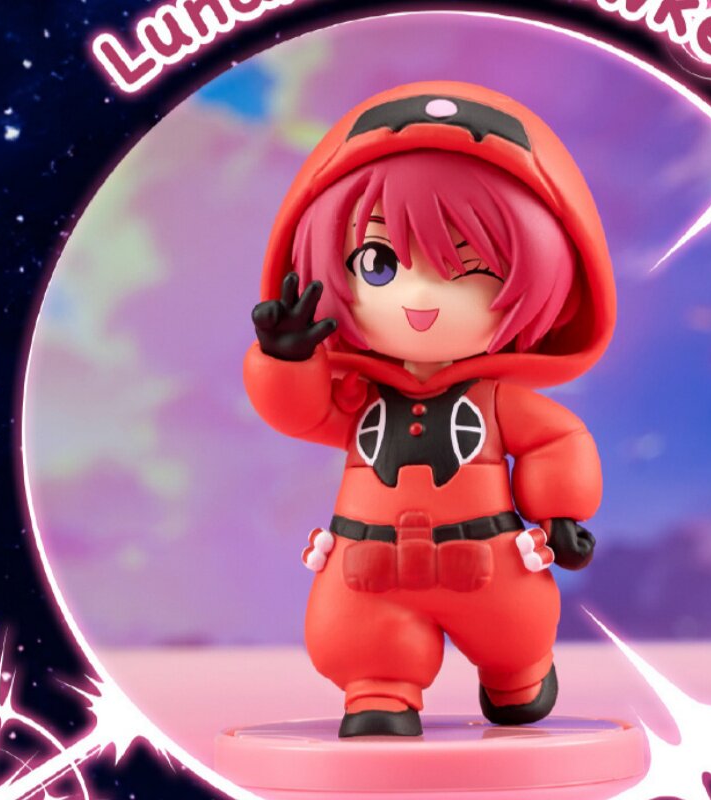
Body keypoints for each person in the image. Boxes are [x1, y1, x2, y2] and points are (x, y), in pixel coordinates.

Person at [244, 81, 616, 738]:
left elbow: (557, 440)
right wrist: (286, 360)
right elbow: (300, 412)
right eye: (378, 263)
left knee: (515, 637)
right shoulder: (356, 396)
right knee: (361, 643)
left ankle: (518, 674)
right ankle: (379, 687)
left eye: (469, 267)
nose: (419, 297)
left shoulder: (498, 402)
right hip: (367, 569)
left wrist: (560, 515)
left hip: (491, 562)